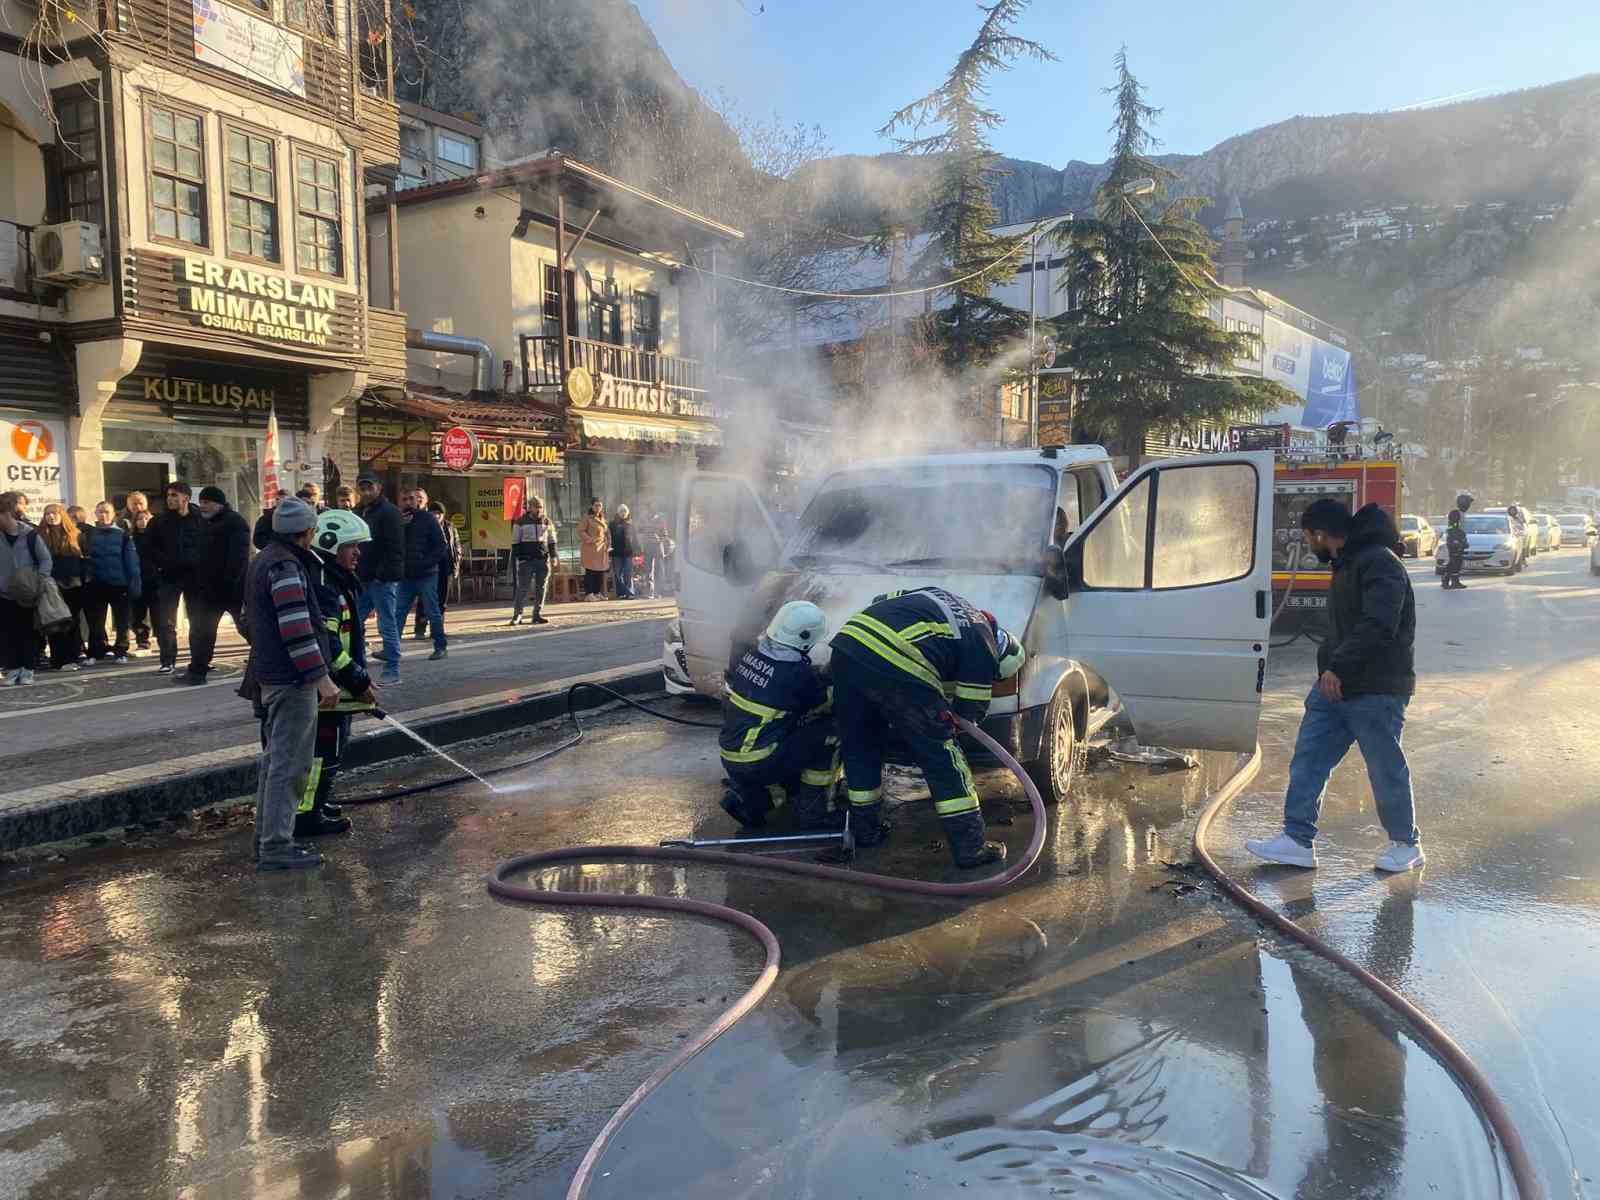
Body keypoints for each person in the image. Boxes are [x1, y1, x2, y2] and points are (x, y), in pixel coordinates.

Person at [1246, 498, 1423, 874]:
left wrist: (1338, 667)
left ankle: (1406, 845)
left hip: (1376, 688)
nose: (1308, 544)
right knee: (1309, 758)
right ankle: (1297, 840)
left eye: (1308, 537)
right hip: (1335, 687)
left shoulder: (1380, 563)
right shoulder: (1346, 565)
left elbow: (1379, 624)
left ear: (1320, 534)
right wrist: (1328, 669)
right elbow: (1342, 630)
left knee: (1384, 766)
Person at [829, 587, 1025, 869]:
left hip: (848, 646)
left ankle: (866, 831)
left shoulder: (951, 602)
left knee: (861, 745)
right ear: (999, 655)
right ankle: (971, 848)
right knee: (944, 756)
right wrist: (936, 726)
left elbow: (884, 599)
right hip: (895, 659)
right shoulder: (983, 643)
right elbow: (969, 712)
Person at [239, 497, 341, 871]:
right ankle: (276, 847)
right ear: (307, 532)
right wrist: (322, 679)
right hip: (292, 680)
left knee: (274, 764)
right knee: (290, 766)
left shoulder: (264, 559)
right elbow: (296, 629)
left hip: (271, 674)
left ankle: (265, 841)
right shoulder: (285, 566)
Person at [719, 601, 841, 831]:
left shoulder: (752, 655)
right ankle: (815, 812)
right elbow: (825, 701)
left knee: (793, 731)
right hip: (759, 760)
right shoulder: (795, 674)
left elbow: (781, 685)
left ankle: (751, 801)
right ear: (806, 639)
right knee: (830, 733)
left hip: (732, 756)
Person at [298, 508, 380, 838]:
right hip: (329, 691)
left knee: (330, 749)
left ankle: (317, 802)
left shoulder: (333, 579)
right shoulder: (325, 586)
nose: (358, 553)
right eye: (351, 546)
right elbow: (329, 645)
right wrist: (357, 679)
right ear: (331, 547)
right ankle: (307, 815)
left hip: (336, 688)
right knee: (323, 754)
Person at [183, 486, 252, 684]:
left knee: (248, 628)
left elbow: (238, 558)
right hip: (208, 590)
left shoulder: (235, 522)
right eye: (201, 502)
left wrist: (230, 582)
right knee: (202, 632)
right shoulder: (203, 523)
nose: (202, 506)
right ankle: (197, 672)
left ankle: (270, 659)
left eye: (207, 502)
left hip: (234, 589)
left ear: (219, 504)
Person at [147, 482, 207, 676]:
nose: (170, 499)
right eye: (168, 495)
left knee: (197, 620)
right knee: (166, 621)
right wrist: (162, 564)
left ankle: (200, 660)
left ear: (186, 498)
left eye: (174, 495)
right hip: (168, 576)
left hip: (195, 576)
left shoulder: (201, 519)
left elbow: (210, 545)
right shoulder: (159, 521)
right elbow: (149, 548)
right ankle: (167, 660)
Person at [353, 472, 404, 682]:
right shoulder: (358, 511)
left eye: (370, 488)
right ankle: (357, 666)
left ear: (379, 488)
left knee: (386, 623)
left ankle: (392, 669)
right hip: (362, 576)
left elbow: (395, 547)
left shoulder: (389, 512)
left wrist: (383, 575)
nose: (366, 492)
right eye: (362, 488)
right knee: (353, 622)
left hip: (381, 579)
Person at [395, 486, 448, 670]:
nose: (409, 502)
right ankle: (392, 649)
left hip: (426, 574)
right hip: (406, 575)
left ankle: (440, 646)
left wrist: (427, 563)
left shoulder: (428, 519)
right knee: (399, 612)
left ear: (418, 501)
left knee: (432, 611)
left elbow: (441, 545)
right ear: (399, 502)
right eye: (405, 499)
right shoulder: (398, 520)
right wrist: (401, 526)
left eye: (412, 499)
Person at [83, 501, 141, 663]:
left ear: (114, 514)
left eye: (107, 512)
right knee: (96, 622)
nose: (103, 515)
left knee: (122, 621)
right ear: (95, 514)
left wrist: (134, 584)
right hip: (96, 583)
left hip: (119, 584)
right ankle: (95, 652)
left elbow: (131, 562)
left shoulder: (123, 535)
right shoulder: (89, 534)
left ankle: (121, 651)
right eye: (100, 512)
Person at [0, 491, 48, 686]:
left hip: (28, 593)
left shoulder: (30, 534)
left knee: (28, 632)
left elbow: (45, 559)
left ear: (6, 515)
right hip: (4, 593)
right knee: (7, 633)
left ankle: (28, 669)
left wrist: (40, 580)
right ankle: (12, 669)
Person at [38, 503, 89, 671]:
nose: (51, 516)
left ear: (62, 515)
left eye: (54, 513)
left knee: (72, 622)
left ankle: (72, 657)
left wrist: (85, 579)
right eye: (47, 514)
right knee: (56, 622)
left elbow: (85, 559)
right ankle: (58, 659)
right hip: (52, 585)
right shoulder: (39, 536)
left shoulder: (76, 535)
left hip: (74, 584)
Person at [413, 496, 459, 640]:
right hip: (429, 569)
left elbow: (456, 547)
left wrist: (456, 565)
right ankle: (420, 628)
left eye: (439, 513)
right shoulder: (425, 526)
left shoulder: (450, 527)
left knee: (442, 600)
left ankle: (437, 630)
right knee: (425, 599)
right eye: (433, 513)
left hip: (446, 568)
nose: (436, 516)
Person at [508, 496, 557, 626]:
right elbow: (515, 542)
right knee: (523, 588)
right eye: (537, 507)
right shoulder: (520, 522)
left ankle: (537, 614)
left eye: (541, 507)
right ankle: (517, 615)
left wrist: (553, 556)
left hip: (543, 559)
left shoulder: (547, 521)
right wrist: (519, 558)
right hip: (526, 560)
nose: (539, 509)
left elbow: (551, 540)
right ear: (530, 507)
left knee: (541, 588)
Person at [127, 508, 158, 655]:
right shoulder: (131, 539)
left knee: (158, 612)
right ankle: (142, 641)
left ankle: (163, 641)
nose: (143, 522)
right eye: (139, 519)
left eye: (146, 518)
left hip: (155, 578)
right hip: (138, 579)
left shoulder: (157, 537)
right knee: (139, 613)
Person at [579, 499, 610, 600]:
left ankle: (597, 592)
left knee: (600, 571)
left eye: (600, 505)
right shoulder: (587, 518)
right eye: (596, 505)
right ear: (592, 506)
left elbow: (606, 532)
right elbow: (581, 531)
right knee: (590, 571)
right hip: (590, 549)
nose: (598, 507)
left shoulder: (602, 518)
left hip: (601, 548)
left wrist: (609, 543)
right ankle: (589, 593)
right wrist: (590, 539)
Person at [608, 504, 637, 600]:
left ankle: (629, 593)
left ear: (627, 513)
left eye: (625, 511)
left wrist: (637, 550)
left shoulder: (631, 524)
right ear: (618, 512)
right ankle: (621, 593)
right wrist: (609, 549)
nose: (623, 513)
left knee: (628, 573)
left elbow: (635, 539)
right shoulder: (612, 524)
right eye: (621, 511)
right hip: (616, 553)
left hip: (628, 552)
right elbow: (609, 538)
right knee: (618, 574)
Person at [642, 513, 674, 599]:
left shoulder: (660, 520)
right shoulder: (644, 520)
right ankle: (650, 592)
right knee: (648, 570)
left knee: (659, 570)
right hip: (647, 546)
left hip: (657, 546)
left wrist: (659, 540)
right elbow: (641, 533)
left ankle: (659, 592)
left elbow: (665, 535)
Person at [1442, 509, 1468, 590]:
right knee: (1453, 564)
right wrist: (1456, 542)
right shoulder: (1452, 527)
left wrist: (1463, 543)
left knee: (1457, 564)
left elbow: (1460, 531)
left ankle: (1454, 581)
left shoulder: (1459, 521)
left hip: (1458, 545)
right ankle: (1447, 581)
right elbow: (1452, 531)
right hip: (1453, 546)